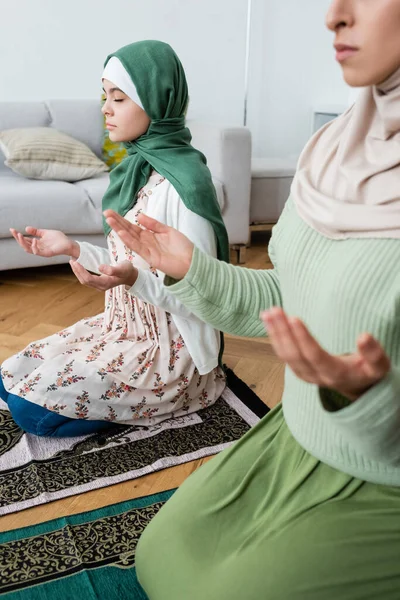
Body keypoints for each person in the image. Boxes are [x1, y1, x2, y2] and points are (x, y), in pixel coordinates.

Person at [105, 1, 400, 597]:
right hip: (297, 433)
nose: (335, 15)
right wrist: (194, 270)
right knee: (160, 555)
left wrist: (368, 399)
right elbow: (290, 295)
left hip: (384, 470)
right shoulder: (332, 149)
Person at [0, 40, 227, 437]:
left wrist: (132, 281)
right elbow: (131, 260)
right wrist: (73, 248)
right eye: (105, 96)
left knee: (30, 413)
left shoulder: (184, 186)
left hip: (169, 354)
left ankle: (159, 402)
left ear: (157, 101)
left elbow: (204, 297)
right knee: (8, 377)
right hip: (121, 328)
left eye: (118, 98)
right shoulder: (138, 171)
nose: (104, 108)